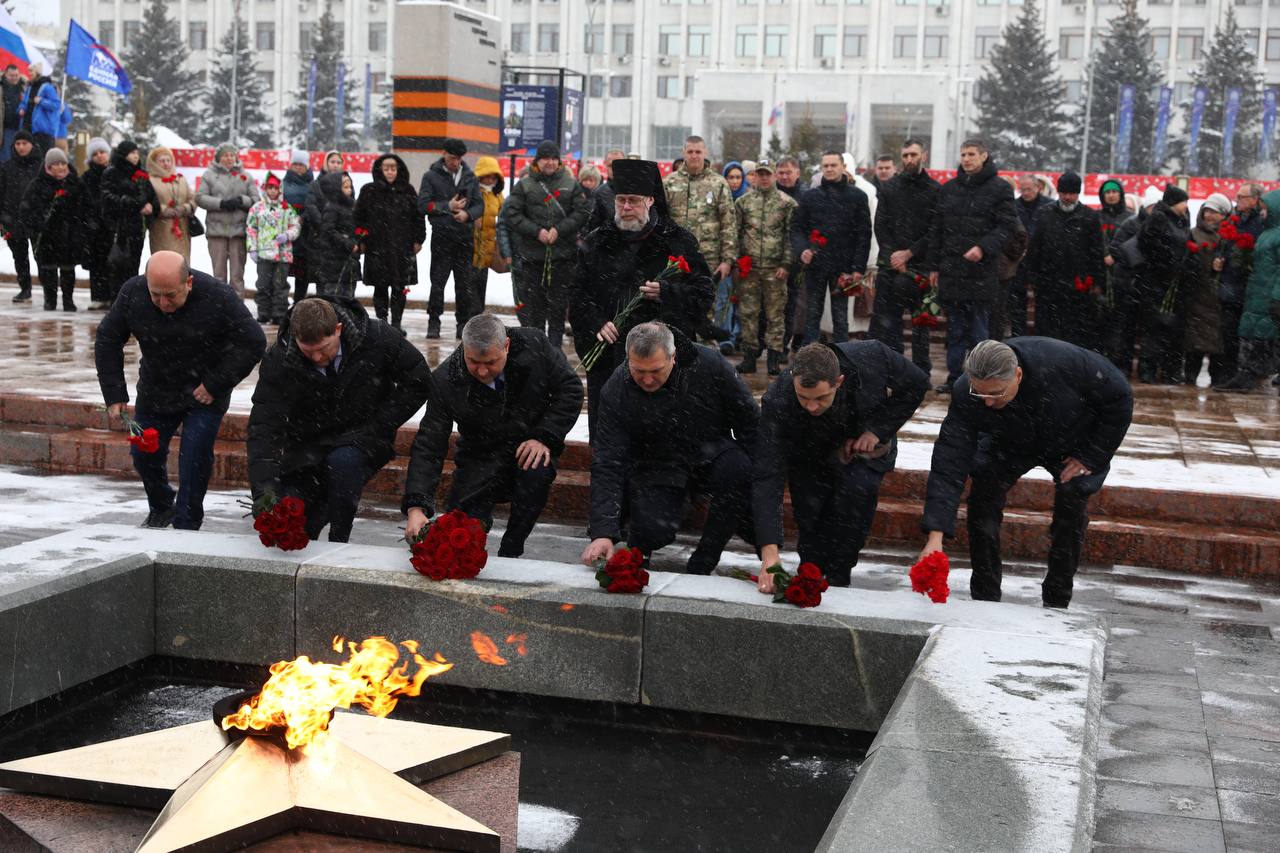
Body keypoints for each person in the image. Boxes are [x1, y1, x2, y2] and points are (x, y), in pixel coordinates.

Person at [919, 338, 1133, 608]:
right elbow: (950, 459)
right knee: (983, 493)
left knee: (1072, 499)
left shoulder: (1065, 364)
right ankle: (985, 595)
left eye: (995, 393)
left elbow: (1120, 397)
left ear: (1017, 375)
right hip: (1008, 442)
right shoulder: (967, 393)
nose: (987, 402)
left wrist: (1092, 455)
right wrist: (935, 536)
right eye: (980, 393)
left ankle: (1057, 597)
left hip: (1070, 439)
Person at [95, 251, 267, 529]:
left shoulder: (217, 295)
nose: (163, 303)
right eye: (155, 295)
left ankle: (187, 522)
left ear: (188, 283)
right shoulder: (132, 292)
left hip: (205, 392)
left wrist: (216, 383)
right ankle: (162, 505)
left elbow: (253, 341)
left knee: (194, 458)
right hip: (156, 389)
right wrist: (114, 394)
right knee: (143, 453)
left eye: (170, 295)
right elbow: (107, 338)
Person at [247, 296, 430, 542]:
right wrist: (265, 493)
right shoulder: (280, 359)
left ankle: (339, 538)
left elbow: (418, 380)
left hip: (362, 437)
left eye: (324, 349)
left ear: (338, 330)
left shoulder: (376, 338)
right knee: (294, 517)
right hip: (307, 446)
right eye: (308, 351)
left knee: (343, 465)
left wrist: (380, 424)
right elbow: (264, 426)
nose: (317, 358)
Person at [581, 322, 758, 575]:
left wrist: (758, 490)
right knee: (652, 529)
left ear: (673, 357)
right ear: (628, 359)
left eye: (655, 370)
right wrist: (602, 532)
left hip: (709, 453)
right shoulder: (616, 388)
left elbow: (750, 424)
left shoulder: (710, 365)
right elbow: (608, 460)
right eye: (638, 371)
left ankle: (705, 559)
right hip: (656, 465)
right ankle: (639, 552)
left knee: (739, 469)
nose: (647, 380)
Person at [403, 314, 583, 557]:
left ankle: (512, 548)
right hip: (479, 456)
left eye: (490, 362)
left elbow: (570, 389)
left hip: (527, 445)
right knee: (460, 536)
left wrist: (544, 436)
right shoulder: (446, 379)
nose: (482, 370)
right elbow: (429, 444)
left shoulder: (534, 346)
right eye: (473, 361)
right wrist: (416, 505)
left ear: (506, 345)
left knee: (536, 470)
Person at [753, 340, 928, 589]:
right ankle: (810, 571)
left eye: (820, 398)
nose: (812, 406)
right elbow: (767, 475)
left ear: (839, 381)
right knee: (809, 511)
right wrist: (769, 554)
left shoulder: (872, 356)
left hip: (862, 446)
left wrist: (876, 430)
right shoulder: (778, 400)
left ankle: (840, 574)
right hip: (808, 450)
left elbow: (917, 383)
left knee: (856, 495)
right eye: (803, 398)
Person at [570, 158, 714, 435]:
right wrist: (596, 322)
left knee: (661, 434)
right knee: (610, 433)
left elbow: (704, 293)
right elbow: (577, 293)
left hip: (662, 361)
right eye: (621, 200)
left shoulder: (677, 240)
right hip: (609, 355)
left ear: (650, 200)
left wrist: (667, 292)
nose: (626, 207)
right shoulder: (597, 241)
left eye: (633, 201)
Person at [924, 138, 1017, 393]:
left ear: (984, 156)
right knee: (955, 331)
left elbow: (1007, 226)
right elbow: (937, 230)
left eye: (971, 154)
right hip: (952, 271)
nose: (966, 159)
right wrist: (934, 266)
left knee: (978, 331)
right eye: (963, 154)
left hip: (980, 272)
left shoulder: (999, 188)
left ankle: (981, 379)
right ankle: (955, 379)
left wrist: (983, 247)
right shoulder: (949, 188)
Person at [503, 140, 590, 348]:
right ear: (537, 161)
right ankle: (537, 348)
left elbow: (582, 212)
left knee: (558, 307)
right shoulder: (525, 185)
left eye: (553, 158)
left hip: (562, 257)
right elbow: (511, 213)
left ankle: (555, 349)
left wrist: (560, 230)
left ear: (559, 161)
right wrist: (537, 232)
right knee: (535, 308)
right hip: (533, 257)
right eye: (545, 159)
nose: (549, 162)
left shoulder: (571, 184)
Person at [871, 138, 939, 373]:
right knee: (888, 322)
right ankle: (894, 368)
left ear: (924, 156)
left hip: (920, 265)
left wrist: (909, 253)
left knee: (921, 323)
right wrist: (893, 256)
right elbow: (881, 226)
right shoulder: (890, 188)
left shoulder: (934, 190)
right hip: (891, 266)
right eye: (905, 155)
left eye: (913, 155)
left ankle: (921, 370)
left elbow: (935, 230)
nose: (909, 159)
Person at [791, 150, 872, 346]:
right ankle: (809, 355)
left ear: (843, 167)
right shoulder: (810, 197)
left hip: (843, 267)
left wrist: (858, 268)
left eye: (833, 165)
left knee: (840, 317)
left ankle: (842, 356)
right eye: (825, 166)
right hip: (816, 265)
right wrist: (803, 250)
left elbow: (864, 234)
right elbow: (797, 228)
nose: (829, 169)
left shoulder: (857, 197)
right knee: (812, 314)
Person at [664, 136, 738, 342]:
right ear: (684, 153)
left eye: (698, 152)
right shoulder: (670, 183)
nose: (694, 156)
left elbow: (728, 224)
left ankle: (706, 354)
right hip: (677, 260)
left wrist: (727, 260)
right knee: (677, 308)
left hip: (708, 259)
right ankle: (678, 352)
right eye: (690, 152)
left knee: (706, 309)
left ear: (705, 153)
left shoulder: (718, 183)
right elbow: (661, 221)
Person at [1021, 172, 1106, 350]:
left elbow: (1096, 251)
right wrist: (1031, 276)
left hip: (1078, 283)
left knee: (1075, 329)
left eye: (1072, 193)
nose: (1067, 197)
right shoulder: (1045, 213)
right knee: (1047, 328)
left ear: (1078, 193)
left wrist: (1098, 280)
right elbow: (1035, 247)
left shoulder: (1090, 217)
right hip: (1048, 281)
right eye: (1064, 193)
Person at [734, 159, 796, 376]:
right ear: (755, 176)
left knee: (775, 314)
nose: (763, 178)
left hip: (774, 269)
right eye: (760, 174)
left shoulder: (786, 203)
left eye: (767, 174)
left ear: (774, 176)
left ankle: (773, 357)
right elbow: (736, 232)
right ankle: (749, 356)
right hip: (749, 269)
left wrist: (786, 263)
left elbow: (791, 236)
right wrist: (737, 260)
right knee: (748, 313)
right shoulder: (743, 202)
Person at [1217, 188, 1280, 393]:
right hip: (1257, 292)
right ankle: (1246, 374)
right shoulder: (1267, 233)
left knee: (1264, 336)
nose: (1262, 212)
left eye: (1265, 209)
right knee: (1254, 334)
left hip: (1268, 293)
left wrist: (1277, 296)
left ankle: (1250, 375)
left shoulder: (1276, 236)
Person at [418, 138, 481, 339]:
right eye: (453, 158)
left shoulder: (470, 177)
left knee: (464, 285)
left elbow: (480, 205)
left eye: (459, 158)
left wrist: (467, 214)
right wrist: (447, 207)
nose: (456, 162)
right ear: (444, 154)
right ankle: (433, 321)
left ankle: (462, 323)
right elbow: (423, 204)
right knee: (438, 283)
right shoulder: (431, 176)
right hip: (442, 237)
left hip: (464, 238)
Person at [354, 153, 424, 329]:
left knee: (400, 287)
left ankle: (397, 324)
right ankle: (382, 323)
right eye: (386, 168)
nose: (390, 172)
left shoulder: (408, 190)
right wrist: (361, 239)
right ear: (380, 170)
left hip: (402, 248)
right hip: (377, 247)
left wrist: (418, 239)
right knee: (380, 287)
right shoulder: (369, 191)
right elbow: (358, 217)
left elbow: (418, 217)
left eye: (393, 168)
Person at [1135, 185, 1192, 384]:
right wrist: (1169, 260)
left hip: (1175, 283)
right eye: (1184, 202)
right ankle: (1148, 368)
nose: (1186, 205)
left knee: (1173, 328)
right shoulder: (1158, 218)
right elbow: (1147, 244)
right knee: (1155, 326)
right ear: (1174, 203)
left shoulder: (1182, 219)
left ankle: (1170, 370)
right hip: (1156, 281)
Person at [20, 147, 86, 311]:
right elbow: (27, 210)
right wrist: (38, 225)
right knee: (48, 270)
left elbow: (85, 207)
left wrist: (80, 226)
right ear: (48, 166)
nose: (61, 167)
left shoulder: (75, 183)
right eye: (56, 164)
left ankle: (68, 300)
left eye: (63, 163)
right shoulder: (37, 185)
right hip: (47, 236)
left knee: (68, 269)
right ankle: (50, 300)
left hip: (69, 234)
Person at [1104, 185, 1161, 375]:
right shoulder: (1131, 223)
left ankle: (1145, 368)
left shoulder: (1162, 225)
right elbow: (1116, 249)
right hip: (1129, 283)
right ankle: (1123, 366)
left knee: (1147, 329)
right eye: (1154, 207)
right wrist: (1136, 258)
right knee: (1125, 327)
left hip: (1149, 284)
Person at [1213, 183, 1264, 385]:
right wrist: (1217, 259)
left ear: (1254, 199)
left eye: (1242, 197)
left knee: (1248, 336)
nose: (1237, 200)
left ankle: (1247, 374)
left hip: (1249, 287)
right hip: (1230, 286)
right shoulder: (1234, 220)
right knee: (1229, 333)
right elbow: (1222, 245)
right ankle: (1228, 373)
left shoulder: (1261, 222)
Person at [1182, 193, 1232, 385]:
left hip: (1220, 297)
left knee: (1218, 341)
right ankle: (1190, 375)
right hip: (1198, 295)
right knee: (1195, 340)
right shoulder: (1193, 234)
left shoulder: (1229, 237)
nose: (1209, 216)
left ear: (1224, 215)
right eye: (1207, 211)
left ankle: (1217, 377)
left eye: (1215, 212)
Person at [197, 143, 259, 296]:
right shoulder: (209, 175)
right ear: (219, 158)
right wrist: (221, 204)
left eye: (232, 155)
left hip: (239, 232)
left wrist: (242, 200)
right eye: (225, 155)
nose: (229, 158)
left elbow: (256, 200)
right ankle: (219, 304)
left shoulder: (246, 176)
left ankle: (237, 304)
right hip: (216, 232)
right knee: (219, 276)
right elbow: (200, 198)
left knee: (237, 275)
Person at [100, 140, 157, 300]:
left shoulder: (141, 174)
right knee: (118, 266)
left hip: (137, 228)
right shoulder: (112, 173)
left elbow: (151, 196)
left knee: (133, 264)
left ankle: (130, 300)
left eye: (137, 153)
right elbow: (108, 198)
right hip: (118, 228)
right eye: (132, 153)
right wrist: (135, 204)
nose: (135, 156)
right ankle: (117, 300)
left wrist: (152, 206)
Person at [245, 172, 302, 325]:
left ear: (280, 190)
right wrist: (252, 248)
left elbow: (296, 226)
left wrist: (287, 235)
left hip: (283, 255)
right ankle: (264, 313)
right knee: (263, 284)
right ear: (265, 189)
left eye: (275, 188)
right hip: (263, 254)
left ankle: (279, 314)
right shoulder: (257, 208)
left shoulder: (287, 208)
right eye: (269, 188)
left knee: (280, 285)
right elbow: (251, 229)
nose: (272, 191)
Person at [1008, 174, 1053, 337]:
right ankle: (1018, 337)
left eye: (1029, 189)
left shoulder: (1049, 206)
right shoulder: (1014, 206)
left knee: (1043, 306)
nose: (1026, 193)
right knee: (1017, 305)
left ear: (1038, 188)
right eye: (1023, 190)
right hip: (1018, 261)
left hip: (1041, 262)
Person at [0, 130, 41, 302]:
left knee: (41, 255)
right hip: (12, 218)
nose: (21, 147)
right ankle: (25, 289)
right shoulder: (6, 167)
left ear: (32, 145)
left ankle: (50, 291)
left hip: (36, 218)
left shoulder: (41, 166)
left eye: (25, 143)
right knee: (19, 256)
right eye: (18, 144)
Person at [467, 156, 505, 326]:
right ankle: (469, 319)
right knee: (469, 285)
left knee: (481, 284)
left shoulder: (498, 196)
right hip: (470, 247)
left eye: (493, 176)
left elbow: (504, 217)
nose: (490, 180)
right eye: (486, 176)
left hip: (487, 249)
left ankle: (477, 317)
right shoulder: (471, 192)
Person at [313, 171, 360, 298]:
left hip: (350, 259)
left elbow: (357, 228)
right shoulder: (332, 207)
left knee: (349, 296)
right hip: (334, 260)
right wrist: (348, 244)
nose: (349, 190)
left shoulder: (353, 206)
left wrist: (359, 241)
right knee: (334, 295)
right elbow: (329, 230)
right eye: (345, 187)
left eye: (350, 186)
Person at [145, 146, 196, 262]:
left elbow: (192, 198)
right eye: (162, 161)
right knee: (164, 260)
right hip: (161, 227)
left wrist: (185, 208)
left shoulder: (181, 179)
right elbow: (148, 201)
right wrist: (163, 210)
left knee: (182, 260)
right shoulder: (150, 180)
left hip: (182, 227)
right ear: (154, 163)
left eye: (168, 160)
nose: (166, 163)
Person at [80, 137, 114, 309]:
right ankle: (98, 297)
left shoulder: (115, 174)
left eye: (102, 152)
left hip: (112, 226)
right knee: (96, 263)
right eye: (95, 154)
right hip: (94, 227)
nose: (100, 156)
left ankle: (114, 297)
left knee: (114, 262)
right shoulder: (86, 177)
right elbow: (82, 202)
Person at [282, 151, 314, 305]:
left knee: (302, 273)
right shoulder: (283, 183)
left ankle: (298, 303)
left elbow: (315, 204)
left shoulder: (313, 184)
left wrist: (304, 216)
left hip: (306, 233)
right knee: (282, 272)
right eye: (295, 164)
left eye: (301, 164)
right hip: (286, 231)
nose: (298, 167)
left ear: (306, 166)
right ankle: (280, 303)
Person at [585, 148, 626, 231]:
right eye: (611, 165)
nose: (615, 168)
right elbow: (593, 226)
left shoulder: (635, 190)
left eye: (619, 164)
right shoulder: (599, 193)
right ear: (606, 166)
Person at [19, 70, 58, 154]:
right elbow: (24, 102)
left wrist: (41, 101)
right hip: (27, 127)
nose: (29, 73)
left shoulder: (48, 87)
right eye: (29, 71)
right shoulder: (29, 87)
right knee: (29, 156)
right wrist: (21, 108)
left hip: (42, 130)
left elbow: (56, 105)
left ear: (37, 73)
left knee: (43, 156)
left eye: (31, 71)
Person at [1, 64, 25, 163]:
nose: (14, 78)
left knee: (18, 157)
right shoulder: (1, 87)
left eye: (16, 75)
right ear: (6, 75)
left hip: (20, 128)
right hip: (5, 128)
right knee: (6, 156)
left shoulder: (24, 87)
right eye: (11, 75)